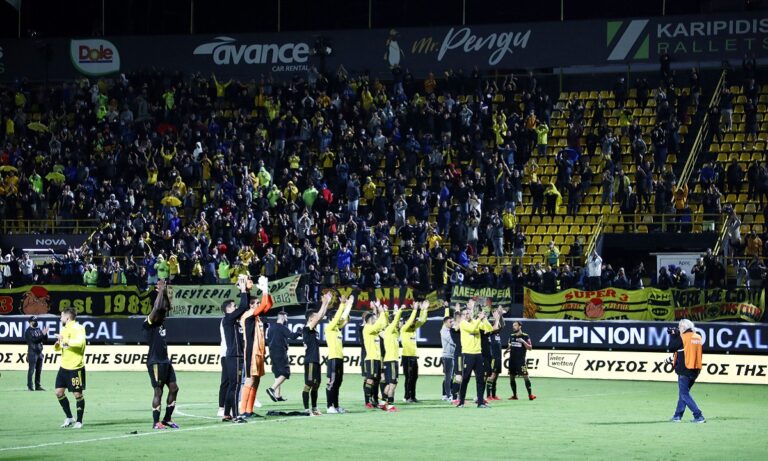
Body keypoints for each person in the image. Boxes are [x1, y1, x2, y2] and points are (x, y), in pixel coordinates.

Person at [144, 280, 180, 429]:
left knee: (174, 388)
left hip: (165, 361)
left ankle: (167, 419)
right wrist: (160, 290)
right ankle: (156, 422)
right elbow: (158, 307)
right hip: (155, 362)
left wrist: (164, 292)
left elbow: (167, 306)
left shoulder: (161, 321)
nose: (165, 312)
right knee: (158, 391)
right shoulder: (150, 321)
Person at [239, 275, 273, 418]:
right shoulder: (247, 315)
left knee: (257, 380)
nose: (259, 304)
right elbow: (264, 305)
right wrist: (264, 290)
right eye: (256, 303)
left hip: (259, 351)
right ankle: (242, 410)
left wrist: (267, 290)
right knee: (250, 379)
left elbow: (269, 305)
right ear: (251, 305)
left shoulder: (256, 316)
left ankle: (249, 410)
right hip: (251, 351)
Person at [220, 276, 252, 423]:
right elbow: (243, 307)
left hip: (234, 356)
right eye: (233, 306)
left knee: (232, 385)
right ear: (228, 310)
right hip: (234, 356)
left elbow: (245, 307)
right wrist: (243, 290)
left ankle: (227, 414)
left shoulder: (233, 320)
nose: (236, 308)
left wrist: (246, 292)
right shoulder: (228, 319)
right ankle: (236, 415)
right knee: (236, 386)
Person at [54, 307, 87, 428]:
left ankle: (79, 421)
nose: (60, 318)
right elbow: (62, 346)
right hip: (64, 366)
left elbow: (80, 343)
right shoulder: (64, 329)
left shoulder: (79, 328)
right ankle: (69, 417)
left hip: (75, 367)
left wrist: (65, 340)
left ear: (67, 317)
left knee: (77, 394)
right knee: (59, 392)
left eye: (61, 315)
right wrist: (57, 345)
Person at [457, 300, 493, 408]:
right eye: (464, 314)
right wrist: (479, 319)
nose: (466, 315)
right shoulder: (463, 324)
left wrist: (484, 319)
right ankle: (461, 402)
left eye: (468, 313)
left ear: (471, 314)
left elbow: (489, 329)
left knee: (480, 379)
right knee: (465, 379)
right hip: (468, 354)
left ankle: (480, 402)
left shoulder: (475, 321)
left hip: (478, 355)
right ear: (462, 316)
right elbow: (472, 329)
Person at [668, 319, 705, 423]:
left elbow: (671, 347)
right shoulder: (697, 336)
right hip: (695, 369)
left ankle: (698, 415)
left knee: (684, 394)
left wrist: (673, 335)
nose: (678, 328)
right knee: (683, 393)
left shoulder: (683, 337)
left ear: (683, 327)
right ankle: (677, 416)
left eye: (679, 327)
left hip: (685, 369)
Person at [325, 294, 354, 414]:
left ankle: (336, 406)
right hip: (333, 359)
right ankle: (329, 406)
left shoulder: (337, 329)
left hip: (339, 359)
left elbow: (344, 317)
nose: (339, 319)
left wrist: (349, 304)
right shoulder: (329, 328)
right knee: (332, 382)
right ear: (332, 319)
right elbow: (339, 317)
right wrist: (342, 304)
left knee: (338, 382)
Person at [302, 292, 330, 416]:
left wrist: (327, 303)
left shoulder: (313, 329)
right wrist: (324, 302)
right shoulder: (307, 328)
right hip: (310, 360)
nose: (317, 318)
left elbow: (321, 315)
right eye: (314, 317)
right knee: (308, 384)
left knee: (316, 384)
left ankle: (314, 408)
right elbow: (319, 316)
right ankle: (306, 409)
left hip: (316, 360)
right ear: (310, 319)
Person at [265, 311, 300, 402]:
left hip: (272, 352)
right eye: (286, 318)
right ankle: (272, 389)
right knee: (285, 372)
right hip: (280, 352)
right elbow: (292, 336)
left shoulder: (271, 328)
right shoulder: (282, 327)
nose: (287, 320)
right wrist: (298, 332)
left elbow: (269, 339)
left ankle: (277, 395)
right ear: (283, 318)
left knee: (277, 373)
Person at [401, 300, 429, 403]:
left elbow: (422, 320)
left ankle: (412, 396)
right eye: (412, 321)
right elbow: (410, 322)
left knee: (414, 377)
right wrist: (415, 310)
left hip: (413, 356)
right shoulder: (404, 329)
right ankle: (407, 396)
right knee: (408, 377)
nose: (414, 322)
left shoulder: (413, 328)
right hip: (407, 357)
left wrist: (424, 310)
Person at [362, 301, 389, 409]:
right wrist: (381, 312)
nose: (375, 320)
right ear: (370, 320)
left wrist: (385, 313)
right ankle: (367, 401)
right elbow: (379, 324)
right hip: (371, 359)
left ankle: (375, 400)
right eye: (374, 318)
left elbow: (383, 325)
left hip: (377, 359)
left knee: (377, 380)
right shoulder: (367, 328)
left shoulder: (375, 330)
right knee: (370, 379)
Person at [382, 304, 405, 412]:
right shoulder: (389, 330)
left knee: (389, 384)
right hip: (391, 361)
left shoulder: (394, 332)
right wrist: (400, 310)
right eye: (399, 321)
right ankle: (390, 405)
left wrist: (394, 311)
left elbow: (395, 322)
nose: (400, 323)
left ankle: (383, 403)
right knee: (393, 384)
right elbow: (395, 321)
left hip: (391, 360)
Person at [506, 320, 536, 401]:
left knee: (526, 376)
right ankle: (514, 395)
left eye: (515, 325)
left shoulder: (525, 336)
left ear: (520, 326)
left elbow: (530, 348)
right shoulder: (511, 336)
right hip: (512, 361)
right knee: (512, 378)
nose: (513, 327)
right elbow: (510, 345)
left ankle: (530, 395)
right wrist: (507, 349)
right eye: (513, 325)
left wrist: (523, 341)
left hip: (521, 361)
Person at [485, 308, 505, 401]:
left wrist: (500, 315)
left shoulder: (497, 332)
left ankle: (493, 395)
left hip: (498, 357)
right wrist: (497, 317)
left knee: (496, 376)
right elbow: (496, 327)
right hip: (493, 356)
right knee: (491, 375)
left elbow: (502, 325)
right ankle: (488, 395)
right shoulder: (489, 329)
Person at [25, 315, 48, 391]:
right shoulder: (28, 331)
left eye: (36, 321)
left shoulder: (38, 329)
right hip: (32, 353)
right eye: (34, 321)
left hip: (39, 352)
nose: (36, 322)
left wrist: (45, 334)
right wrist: (42, 334)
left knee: (39, 370)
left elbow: (45, 339)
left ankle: (37, 386)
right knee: (31, 370)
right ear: (30, 322)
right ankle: (30, 386)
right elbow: (35, 340)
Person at [440, 304, 455, 401]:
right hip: (447, 356)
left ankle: (445, 394)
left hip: (451, 356)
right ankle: (448, 395)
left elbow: (446, 316)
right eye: (450, 322)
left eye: (453, 321)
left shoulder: (449, 329)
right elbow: (452, 341)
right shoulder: (444, 331)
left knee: (449, 377)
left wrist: (446, 308)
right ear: (445, 323)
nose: (452, 323)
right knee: (448, 377)